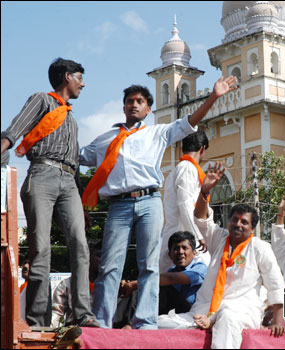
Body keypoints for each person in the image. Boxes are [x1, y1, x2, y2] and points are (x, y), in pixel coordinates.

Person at [80, 76, 237, 330]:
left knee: (149, 264)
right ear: (123, 107)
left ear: (147, 109)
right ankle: (102, 322)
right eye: (130, 101)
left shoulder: (156, 133)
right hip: (118, 205)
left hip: (149, 201)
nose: (134, 104)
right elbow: (75, 157)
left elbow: (189, 123)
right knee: (110, 264)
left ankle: (145, 322)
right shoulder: (105, 139)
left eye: (140, 101)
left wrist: (214, 97)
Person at [1, 58, 98, 327]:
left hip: (69, 182)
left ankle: (83, 314)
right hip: (42, 174)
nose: (83, 83)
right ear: (67, 77)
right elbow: (15, 129)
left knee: (80, 245)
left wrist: (79, 200)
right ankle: (37, 320)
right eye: (80, 77)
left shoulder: (72, 118)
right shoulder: (42, 100)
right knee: (41, 249)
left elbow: (75, 162)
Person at [158, 163, 285, 349]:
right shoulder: (220, 238)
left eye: (244, 222)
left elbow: (276, 285)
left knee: (226, 315)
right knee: (160, 323)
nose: (238, 224)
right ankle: (208, 322)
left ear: (252, 228)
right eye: (234, 219)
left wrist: (278, 321)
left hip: (240, 310)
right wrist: (204, 192)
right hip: (204, 310)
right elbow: (201, 221)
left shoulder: (260, 248)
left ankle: (212, 322)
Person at [115, 231, 207, 329]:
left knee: (157, 286)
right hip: (169, 310)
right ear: (170, 254)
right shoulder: (171, 271)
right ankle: (116, 323)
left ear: (194, 253)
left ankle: (130, 324)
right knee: (143, 288)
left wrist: (135, 283)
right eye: (176, 248)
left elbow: (171, 279)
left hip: (189, 311)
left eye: (185, 248)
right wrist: (132, 286)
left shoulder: (200, 268)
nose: (180, 252)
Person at [159, 130, 211, 275]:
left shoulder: (180, 169)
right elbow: (185, 204)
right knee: (205, 271)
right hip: (183, 237)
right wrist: (198, 236)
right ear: (202, 149)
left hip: (180, 234)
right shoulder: (187, 168)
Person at [51, 242, 102, 327]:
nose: (102, 260)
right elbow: (56, 313)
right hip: (76, 332)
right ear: (88, 257)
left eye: (107, 257)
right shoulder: (67, 284)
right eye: (99, 255)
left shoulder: (117, 288)